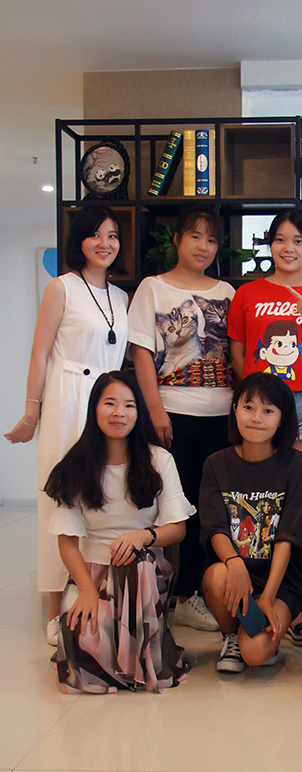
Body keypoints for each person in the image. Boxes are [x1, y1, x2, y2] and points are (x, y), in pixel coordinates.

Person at [4, 205, 128, 645]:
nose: (105, 243)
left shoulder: (121, 297)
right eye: (96, 234)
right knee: (58, 499)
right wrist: (31, 410)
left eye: (112, 235)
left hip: (106, 402)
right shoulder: (61, 287)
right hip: (67, 397)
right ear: (80, 240)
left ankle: (93, 591)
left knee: (100, 496)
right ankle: (54, 609)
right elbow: (40, 353)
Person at [227, 209, 302, 645]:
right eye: (280, 239)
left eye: (298, 240)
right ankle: (261, 592)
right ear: (270, 244)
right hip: (262, 406)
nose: (288, 248)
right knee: (266, 502)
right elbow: (239, 355)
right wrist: (253, 401)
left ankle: (295, 603)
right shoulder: (248, 294)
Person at [45, 371, 195, 694]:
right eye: (109, 403)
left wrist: (143, 537)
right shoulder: (75, 465)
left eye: (128, 405)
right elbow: (67, 542)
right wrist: (87, 590)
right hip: (91, 573)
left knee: (135, 567)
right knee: (85, 645)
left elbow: (178, 528)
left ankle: (137, 664)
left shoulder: (159, 460)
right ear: (94, 409)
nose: (119, 413)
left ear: (139, 412)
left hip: (144, 572)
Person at [128, 205, 234, 632]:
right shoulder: (152, 288)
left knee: (211, 508)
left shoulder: (226, 291)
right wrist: (155, 410)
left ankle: (196, 594)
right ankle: (164, 593)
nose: (203, 246)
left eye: (211, 239)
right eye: (195, 236)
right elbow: (141, 352)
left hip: (222, 415)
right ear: (177, 240)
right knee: (173, 505)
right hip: (173, 413)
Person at [200, 373, 302, 673]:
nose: (256, 418)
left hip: (280, 582)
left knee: (255, 654)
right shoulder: (216, 463)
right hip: (234, 573)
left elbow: (289, 537)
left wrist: (268, 596)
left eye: (268, 410)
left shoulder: (298, 465)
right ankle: (231, 636)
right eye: (248, 407)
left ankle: (256, 634)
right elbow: (214, 528)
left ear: (281, 418)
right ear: (235, 410)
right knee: (217, 576)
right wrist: (234, 562)